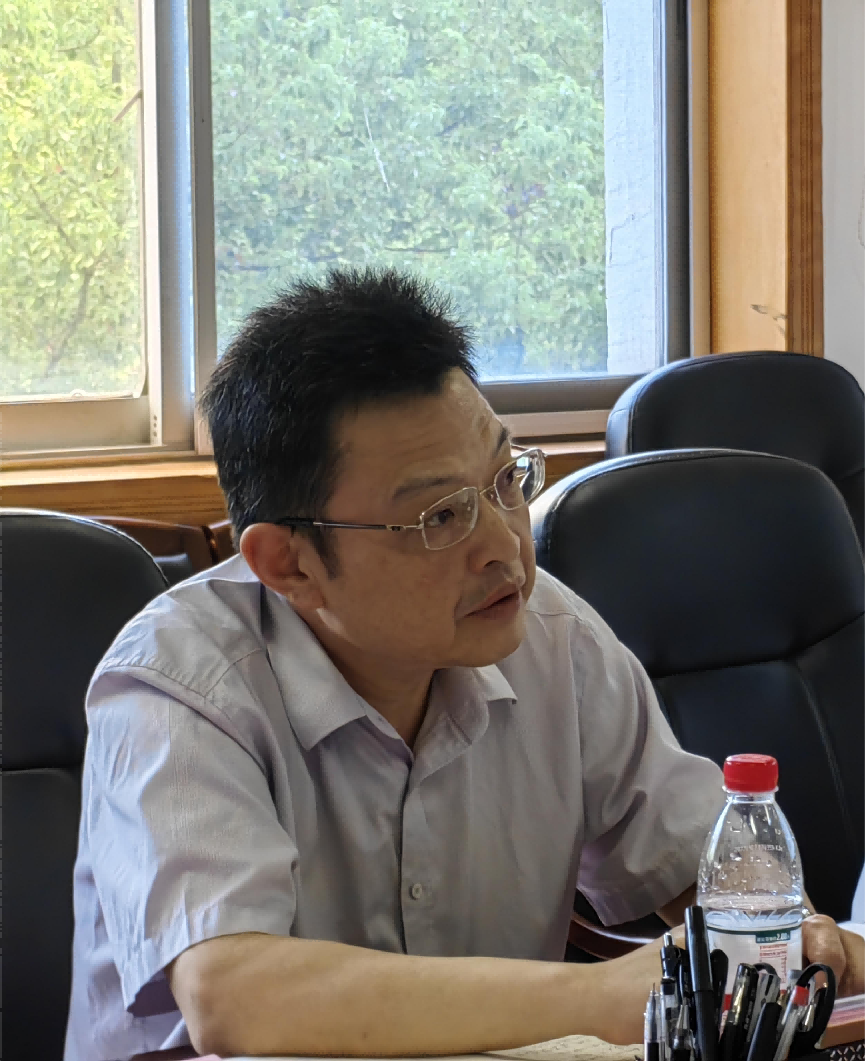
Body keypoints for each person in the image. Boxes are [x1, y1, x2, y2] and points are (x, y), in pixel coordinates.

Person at [65, 270, 865, 1061]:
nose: (504, 545)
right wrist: (601, 996)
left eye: (505, 481)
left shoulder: (550, 634)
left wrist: (790, 930)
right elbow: (237, 997)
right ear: (289, 562)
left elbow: (705, 863)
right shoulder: (177, 683)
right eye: (439, 515)